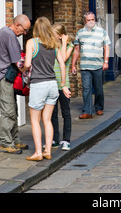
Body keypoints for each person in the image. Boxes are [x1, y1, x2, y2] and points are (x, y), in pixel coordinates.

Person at [23, 17, 71, 161]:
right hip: (52, 84)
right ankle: (48, 151)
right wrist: (63, 85)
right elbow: (62, 65)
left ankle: (38, 152)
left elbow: (27, 64)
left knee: (35, 120)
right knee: (47, 120)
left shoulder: (31, 43)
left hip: (39, 84)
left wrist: (22, 68)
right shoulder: (54, 44)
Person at [0, 14, 31, 154]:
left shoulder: (4, 32)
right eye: (24, 29)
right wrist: (29, 67)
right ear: (18, 25)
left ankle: (14, 139)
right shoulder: (9, 35)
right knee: (8, 111)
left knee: (12, 109)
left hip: (3, 77)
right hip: (2, 78)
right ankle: (6, 143)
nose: (25, 33)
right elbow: (19, 63)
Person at [72, 12, 111, 119]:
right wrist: (73, 64)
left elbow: (106, 47)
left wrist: (106, 61)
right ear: (85, 21)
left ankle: (99, 108)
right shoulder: (80, 33)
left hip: (98, 65)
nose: (91, 22)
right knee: (86, 89)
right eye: (88, 20)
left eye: (92, 19)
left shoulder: (102, 32)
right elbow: (76, 50)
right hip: (85, 66)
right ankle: (87, 111)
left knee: (98, 88)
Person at [51, 23, 74, 151]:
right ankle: (55, 139)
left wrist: (64, 43)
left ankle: (66, 140)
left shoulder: (69, 45)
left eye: (54, 34)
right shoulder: (52, 46)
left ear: (60, 36)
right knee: (52, 113)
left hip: (64, 84)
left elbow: (63, 59)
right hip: (52, 83)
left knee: (66, 113)